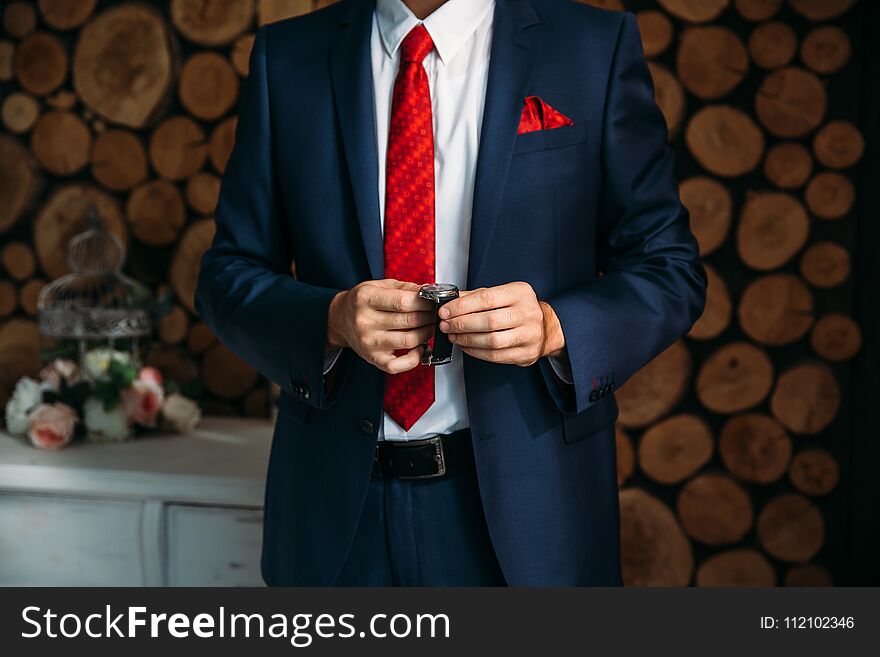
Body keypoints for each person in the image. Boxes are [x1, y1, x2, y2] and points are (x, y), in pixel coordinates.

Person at [195, 0, 706, 586]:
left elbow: (669, 269)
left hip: (531, 514)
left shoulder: (592, 46)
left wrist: (553, 326)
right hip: (334, 516)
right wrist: (332, 319)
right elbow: (226, 274)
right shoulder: (289, 56)